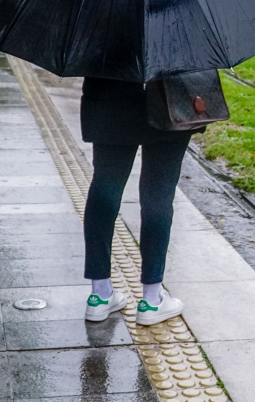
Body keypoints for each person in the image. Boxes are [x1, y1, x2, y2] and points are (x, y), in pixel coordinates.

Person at [80, 77, 206, 326]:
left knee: (105, 187)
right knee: (158, 194)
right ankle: (151, 299)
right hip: (170, 94)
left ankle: (99, 294)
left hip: (110, 96)